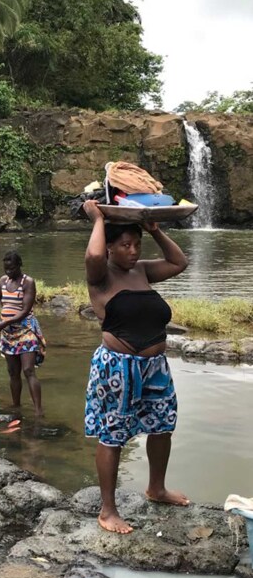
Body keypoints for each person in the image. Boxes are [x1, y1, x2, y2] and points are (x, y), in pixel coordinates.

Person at [83, 200, 190, 534]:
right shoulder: (100, 276)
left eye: (136, 244)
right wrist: (98, 219)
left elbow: (179, 262)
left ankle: (156, 488)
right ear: (111, 248)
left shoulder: (142, 270)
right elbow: (93, 256)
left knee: (162, 426)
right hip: (118, 368)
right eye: (125, 245)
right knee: (113, 433)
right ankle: (108, 510)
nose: (132, 251)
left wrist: (154, 230)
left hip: (155, 365)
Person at [0, 251, 46, 416]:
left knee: (28, 370)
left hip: (26, 330)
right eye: (6, 269)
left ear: (19, 265)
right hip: (8, 333)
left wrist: (4, 322)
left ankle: (38, 411)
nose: (8, 272)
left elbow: (25, 311)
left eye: (11, 269)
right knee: (13, 372)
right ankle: (16, 406)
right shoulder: (3, 281)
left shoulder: (28, 282)